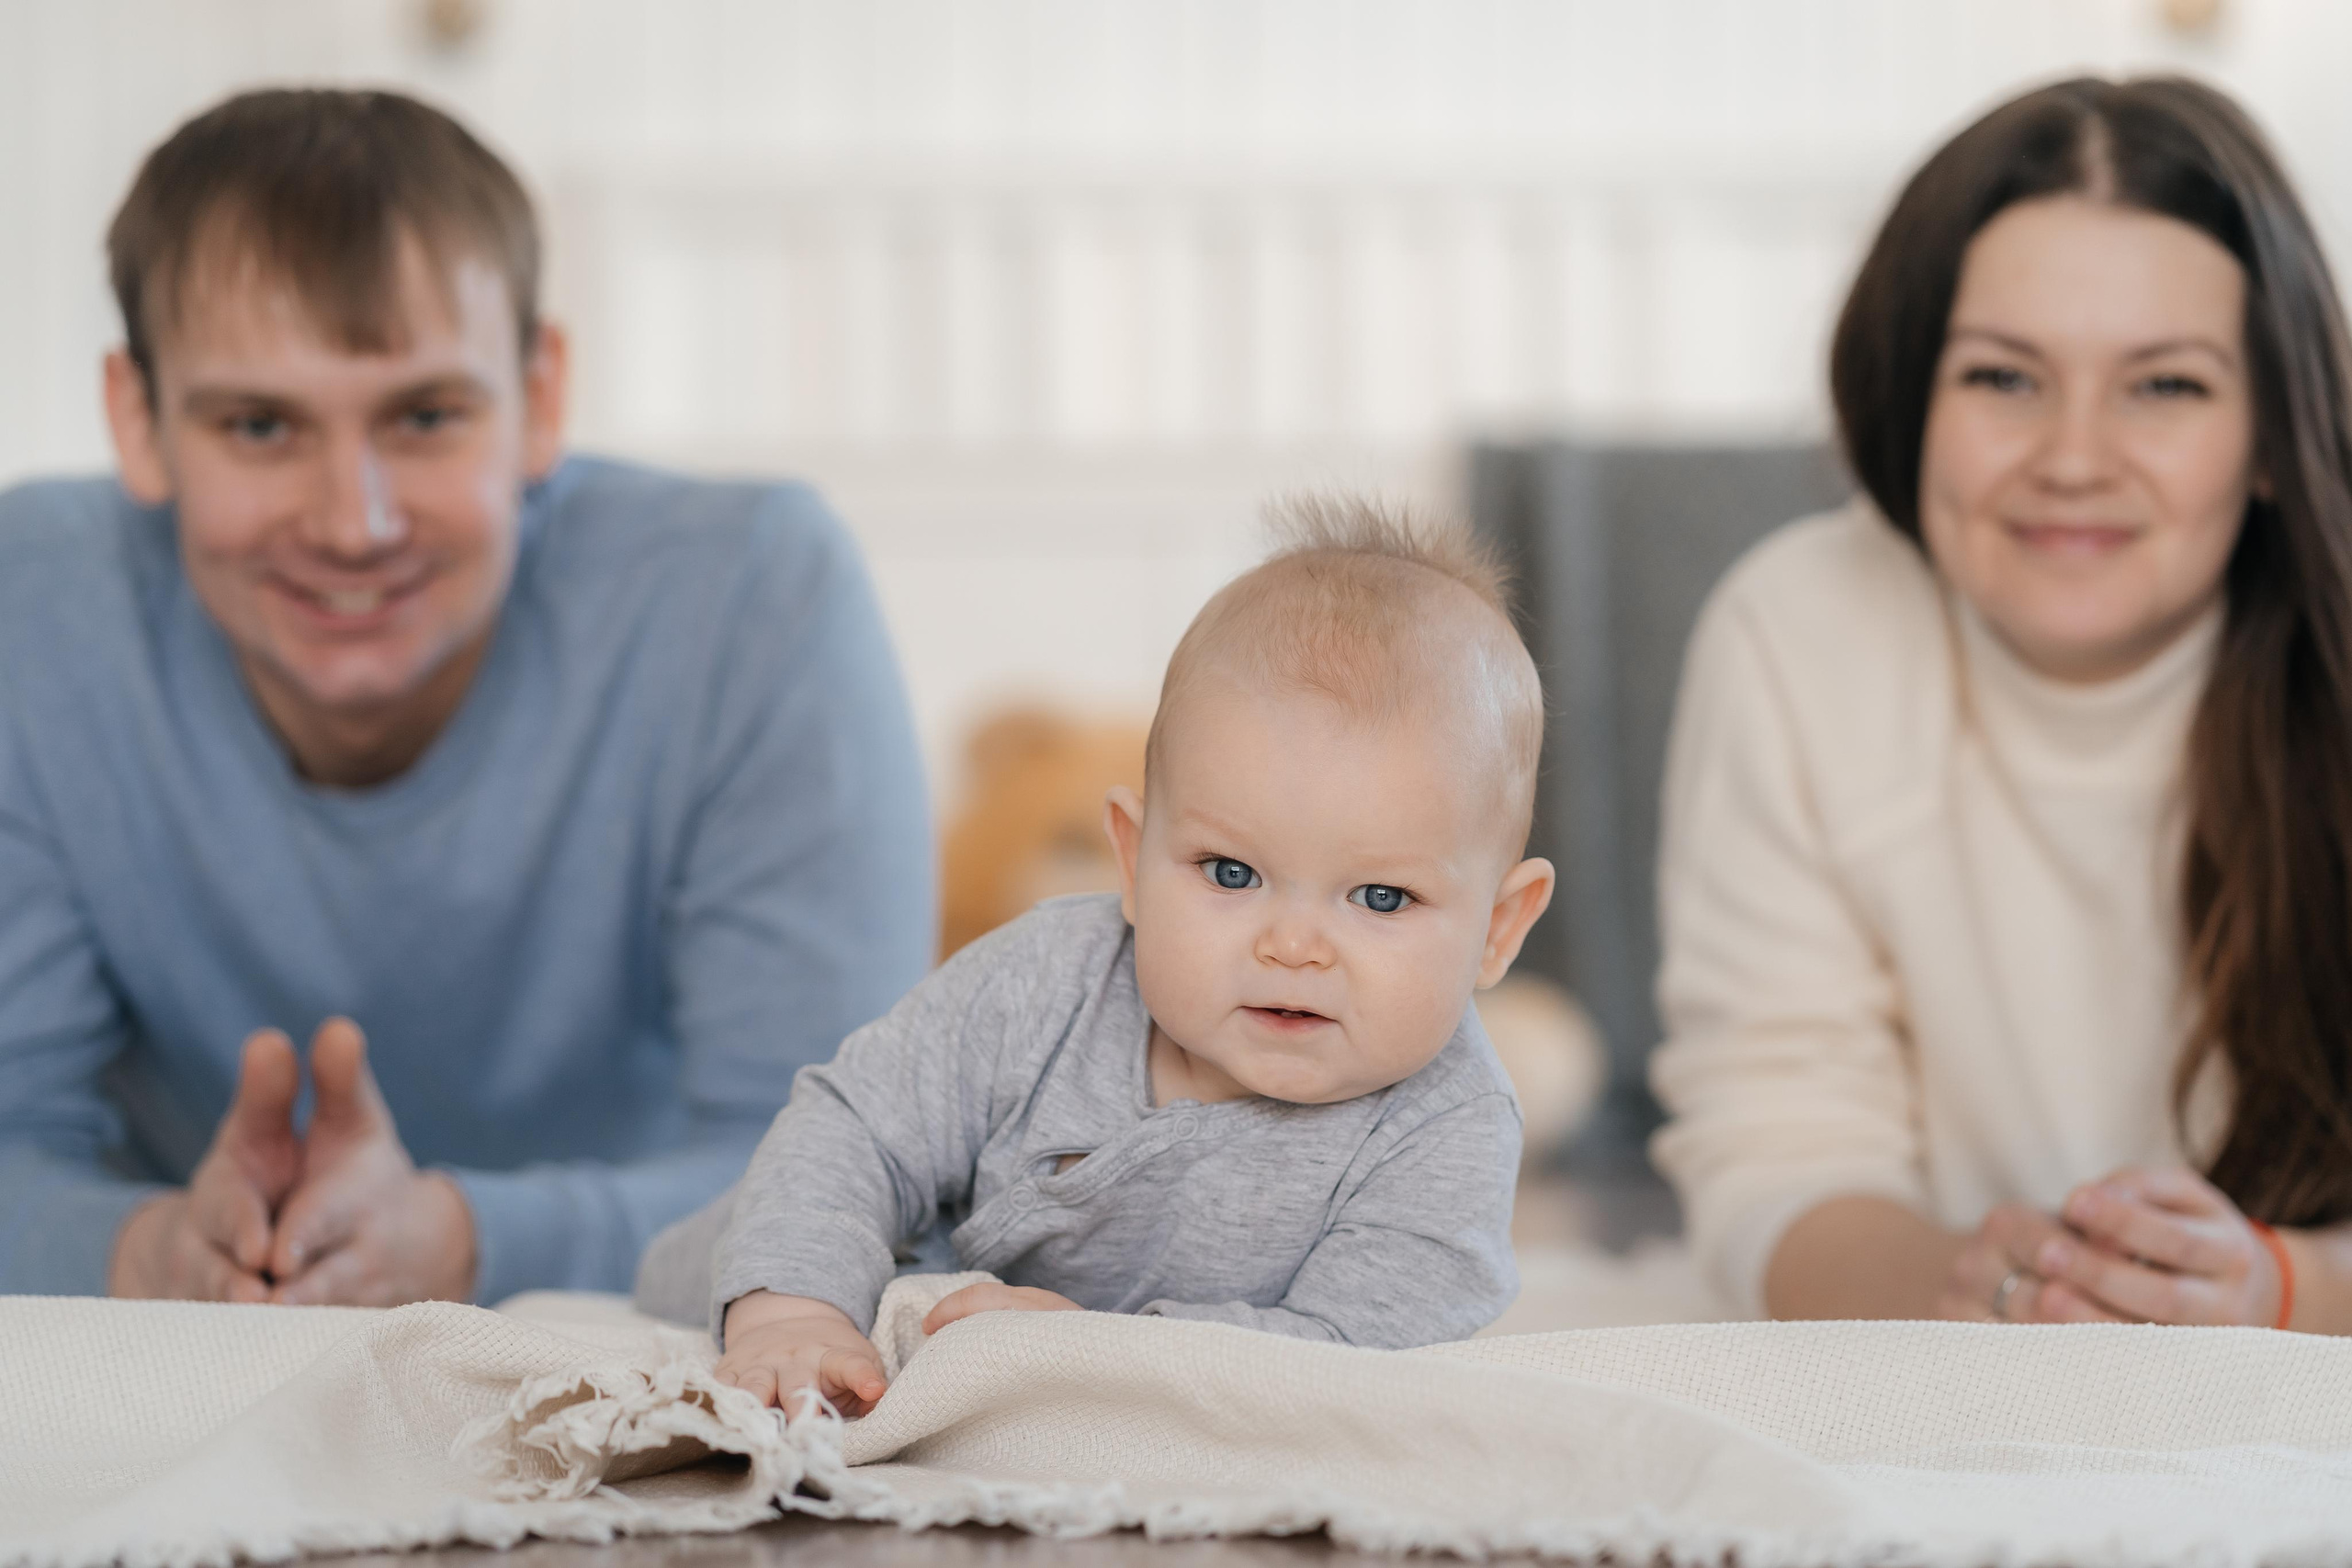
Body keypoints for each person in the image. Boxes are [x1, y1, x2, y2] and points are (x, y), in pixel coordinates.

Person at [0, 88, 933, 1306]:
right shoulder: (34, 603)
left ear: (541, 396)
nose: (354, 521)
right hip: (198, 1348)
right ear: (139, 420)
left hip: (644, 1356)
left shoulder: (759, 593)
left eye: (427, 415)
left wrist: (463, 1239)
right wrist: (152, 1250)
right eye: (261, 424)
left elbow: (868, 1182)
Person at [1650, 75, 2352, 1334]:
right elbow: (1775, 1142)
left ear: (2267, 432)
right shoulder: (1793, 629)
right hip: (1946, 1357)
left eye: (2166, 386)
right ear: (1915, 395)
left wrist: (2286, 1286)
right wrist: (1983, 1292)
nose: (2074, 457)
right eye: (2004, 378)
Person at [684, 497, 1555, 1413]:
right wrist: (790, 1311)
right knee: (696, 1250)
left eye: (1380, 897)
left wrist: (1086, 1353)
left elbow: (1341, 1364)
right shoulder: (1049, 976)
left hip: (1033, 1344)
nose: (1293, 944)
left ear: (1498, 926)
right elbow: (856, 1127)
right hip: (836, 1256)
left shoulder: (1446, 1128)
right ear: (1132, 860)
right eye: (1229, 872)